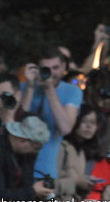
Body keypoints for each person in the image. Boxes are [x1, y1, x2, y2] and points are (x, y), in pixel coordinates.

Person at [21, 46, 83, 180]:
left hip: (46, 172)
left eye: (55, 68)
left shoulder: (72, 91)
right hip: (18, 169)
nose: (50, 73)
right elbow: (18, 125)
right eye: (45, 69)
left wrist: (49, 89)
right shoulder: (23, 87)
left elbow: (65, 128)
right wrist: (30, 87)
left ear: (63, 67)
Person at [0, 115, 54, 201]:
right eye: (36, 148)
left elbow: (26, 183)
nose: (36, 152)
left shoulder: (24, 155)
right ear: (22, 140)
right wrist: (32, 192)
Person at [56, 105, 101, 201]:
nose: (89, 126)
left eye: (93, 123)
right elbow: (48, 185)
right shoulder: (61, 147)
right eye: (84, 121)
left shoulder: (82, 151)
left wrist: (86, 182)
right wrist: (75, 182)